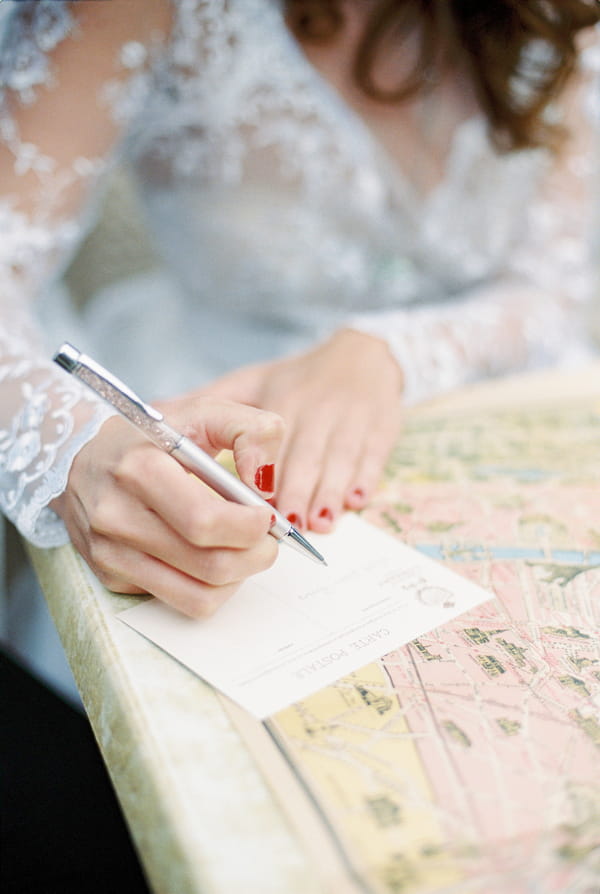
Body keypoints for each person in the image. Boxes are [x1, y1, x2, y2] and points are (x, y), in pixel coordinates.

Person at [1, 0, 599, 634]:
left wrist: (391, 352)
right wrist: (68, 448)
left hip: (488, 438)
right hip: (208, 426)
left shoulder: (560, 13)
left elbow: (552, 289)